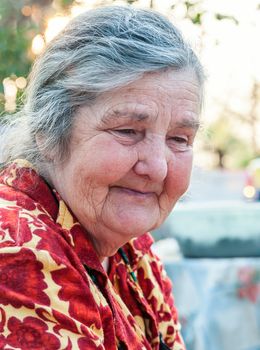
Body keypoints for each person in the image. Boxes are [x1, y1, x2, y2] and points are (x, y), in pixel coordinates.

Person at [0, 5, 204, 350]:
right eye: (127, 131)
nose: (158, 167)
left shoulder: (131, 249)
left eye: (178, 139)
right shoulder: (17, 250)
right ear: (49, 133)